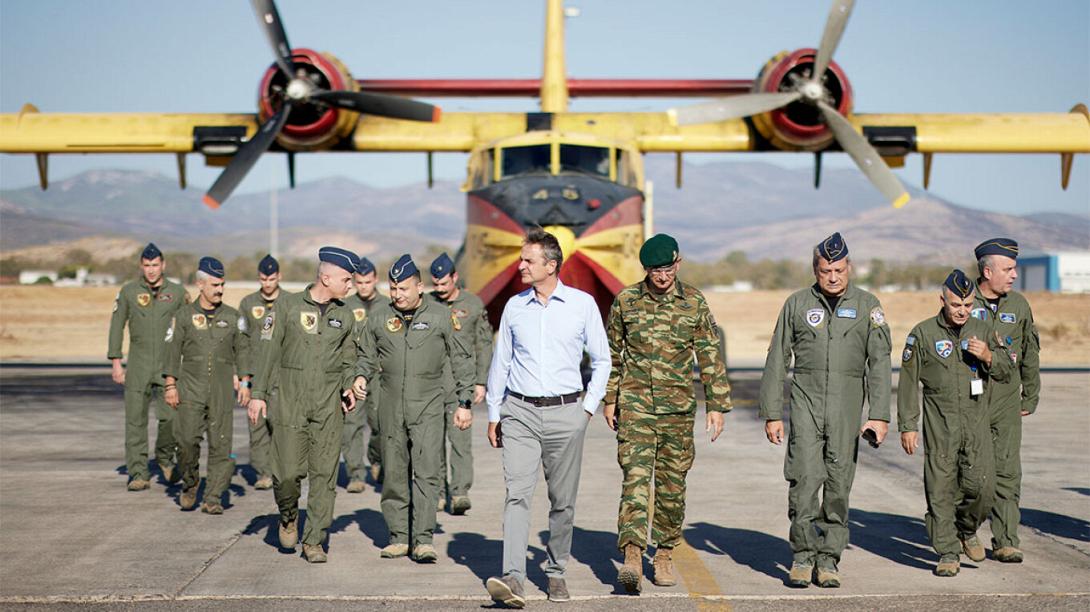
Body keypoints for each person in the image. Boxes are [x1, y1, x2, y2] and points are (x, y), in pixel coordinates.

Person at [483, 229, 611, 607]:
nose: (520, 265)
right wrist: (495, 412)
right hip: (519, 412)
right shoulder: (513, 307)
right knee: (517, 495)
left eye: (527, 260)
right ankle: (514, 577)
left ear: (550, 265)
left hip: (566, 413)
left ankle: (556, 572)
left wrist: (587, 408)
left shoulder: (582, 304)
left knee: (562, 501)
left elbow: (602, 360)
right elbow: (501, 361)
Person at [758, 232, 892, 589]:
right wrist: (772, 412)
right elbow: (777, 359)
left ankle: (829, 558)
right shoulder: (797, 304)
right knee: (803, 481)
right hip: (806, 402)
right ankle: (802, 556)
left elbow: (879, 363)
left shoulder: (868, 306)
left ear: (849, 267)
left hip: (847, 406)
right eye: (824, 270)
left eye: (838, 269)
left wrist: (879, 415)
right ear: (814, 270)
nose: (832, 277)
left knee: (838, 486)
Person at [603, 234, 732, 593]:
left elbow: (708, 353)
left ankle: (664, 553)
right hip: (636, 407)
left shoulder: (693, 302)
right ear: (645, 270)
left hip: (677, 411)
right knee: (635, 481)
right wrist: (610, 398)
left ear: (678, 263)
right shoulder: (626, 301)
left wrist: (717, 404)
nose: (662, 276)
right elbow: (613, 355)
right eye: (654, 270)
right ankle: (632, 554)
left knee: (672, 487)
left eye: (667, 268)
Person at [352, 254, 474, 563]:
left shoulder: (440, 315)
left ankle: (422, 539)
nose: (397, 295)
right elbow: (365, 354)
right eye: (393, 289)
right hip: (391, 405)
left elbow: (461, 357)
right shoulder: (379, 316)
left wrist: (464, 402)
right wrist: (360, 376)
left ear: (419, 287)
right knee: (393, 472)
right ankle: (398, 537)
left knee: (427, 472)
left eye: (404, 288)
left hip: (429, 404)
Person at [247, 247, 360, 563]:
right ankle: (287, 516)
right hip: (289, 406)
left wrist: (350, 384)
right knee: (285, 475)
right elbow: (267, 351)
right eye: (345, 279)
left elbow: (349, 358)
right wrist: (257, 394)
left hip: (327, 408)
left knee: (324, 477)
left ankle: (314, 541)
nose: (350, 285)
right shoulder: (286, 307)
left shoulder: (346, 315)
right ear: (326, 277)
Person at [897, 269, 1013, 576]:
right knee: (940, 490)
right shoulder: (922, 334)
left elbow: (1006, 372)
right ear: (943, 301)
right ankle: (947, 551)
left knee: (983, 488)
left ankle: (966, 528)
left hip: (976, 423)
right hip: (940, 424)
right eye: (955, 305)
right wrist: (907, 425)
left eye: (967, 305)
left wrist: (989, 356)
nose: (962, 311)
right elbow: (908, 382)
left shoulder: (983, 328)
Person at [971, 238, 1041, 563]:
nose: (1014, 274)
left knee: (1008, 471)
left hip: (1007, 398)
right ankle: (964, 531)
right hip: (971, 399)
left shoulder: (1019, 306)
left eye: (1015, 268)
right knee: (970, 471)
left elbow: (1030, 352)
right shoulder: (962, 300)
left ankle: (1006, 540)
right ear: (988, 271)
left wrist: (1031, 391)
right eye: (1008, 268)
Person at [163, 257, 249, 513]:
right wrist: (170, 385)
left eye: (222, 284)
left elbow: (244, 351)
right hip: (190, 389)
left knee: (221, 445)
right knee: (186, 440)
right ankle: (190, 483)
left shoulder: (234, 317)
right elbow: (171, 352)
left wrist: (244, 381)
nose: (220, 290)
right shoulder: (183, 317)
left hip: (222, 392)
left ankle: (213, 497)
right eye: (214, 285)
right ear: (200, 284)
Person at [107, 242, 188, 491]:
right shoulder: (129, 291)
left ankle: (165, 457)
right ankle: (138, 473)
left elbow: (188, 329)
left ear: (163, 265)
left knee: (170, 419)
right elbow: (116, 325)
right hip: (138, 365)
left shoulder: (177, 292)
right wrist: (117, 363)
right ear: (141, 266)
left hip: (167, 367)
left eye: (155, 265)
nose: (151, 270)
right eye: (147, 265)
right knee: (135, 422)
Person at [430, 252, 492, 515]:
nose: (441, 290)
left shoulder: (474, 305)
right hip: (431, 382)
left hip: (460, 383)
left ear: (455, 277)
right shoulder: (427, 304)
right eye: (436, 285)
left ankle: (459, 492)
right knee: (432, 443)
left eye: (445, 283)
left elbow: (484, 344)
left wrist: (481, 381)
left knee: (459, 440)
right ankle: (437, 493)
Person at [341, 256, 389, 492]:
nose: (363, 287)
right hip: (353, 373)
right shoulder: (346, 305)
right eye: (359, 282)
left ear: (375, 280)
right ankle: (355, 474)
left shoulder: (388, 306)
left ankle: (376, 459)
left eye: (367, 282)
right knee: (352, 424)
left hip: (379, 373)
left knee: (380, 423)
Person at [238, 254, 283, 490]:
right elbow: (242, 342)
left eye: (272, 278)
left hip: (281, 375)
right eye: (264, 279)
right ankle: (263, 472)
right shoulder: (247, 304)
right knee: (256, 427)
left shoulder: (289, 302)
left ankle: (280, 470)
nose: (268, 283)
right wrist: (243, 378)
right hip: (256, 375)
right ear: (259, 278)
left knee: (280, 425)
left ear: (279, 277)